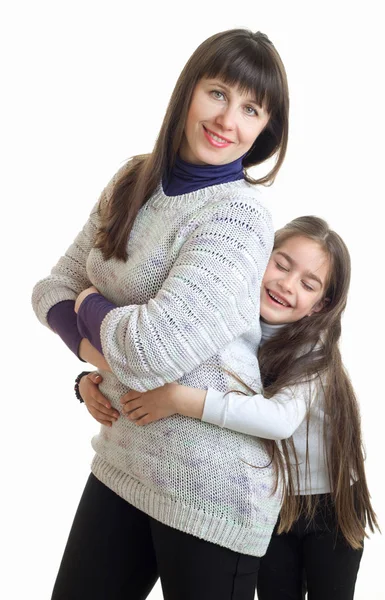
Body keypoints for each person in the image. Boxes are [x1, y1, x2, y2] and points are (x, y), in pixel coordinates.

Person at [31, 29, 290, 600]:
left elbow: (152, 352)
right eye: (218, 93)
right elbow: (51, 288)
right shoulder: (132, 179)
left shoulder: (238, 219)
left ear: (265, 129)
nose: (229, 120)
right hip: (126, 458)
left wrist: (87, 306)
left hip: (211, 483)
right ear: (188, 92)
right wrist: (95, 357)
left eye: (252, 109)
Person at [80, 216, 379, 600]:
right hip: (275, 503)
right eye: (281, 264)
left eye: (307, 284)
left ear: (319, 306)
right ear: (256, 258)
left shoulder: (313, 350)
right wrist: (88, 381)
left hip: (329, 503)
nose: (286, 285)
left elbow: (278, 420)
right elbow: (171, 357)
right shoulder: (230, 319)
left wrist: (177, 399)